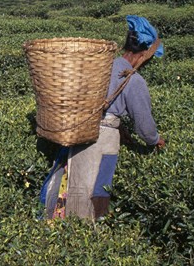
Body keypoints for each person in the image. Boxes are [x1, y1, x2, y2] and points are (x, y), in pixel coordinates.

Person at [41, 15, 166, 220]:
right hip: (102, 141)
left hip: (80, 131)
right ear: (144, 54)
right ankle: (86, 230)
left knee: (72, 178)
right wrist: (156, 140)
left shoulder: (102, 65)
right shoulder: (134, 81)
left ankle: (59, 223)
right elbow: (145, 128)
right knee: (96, 188)